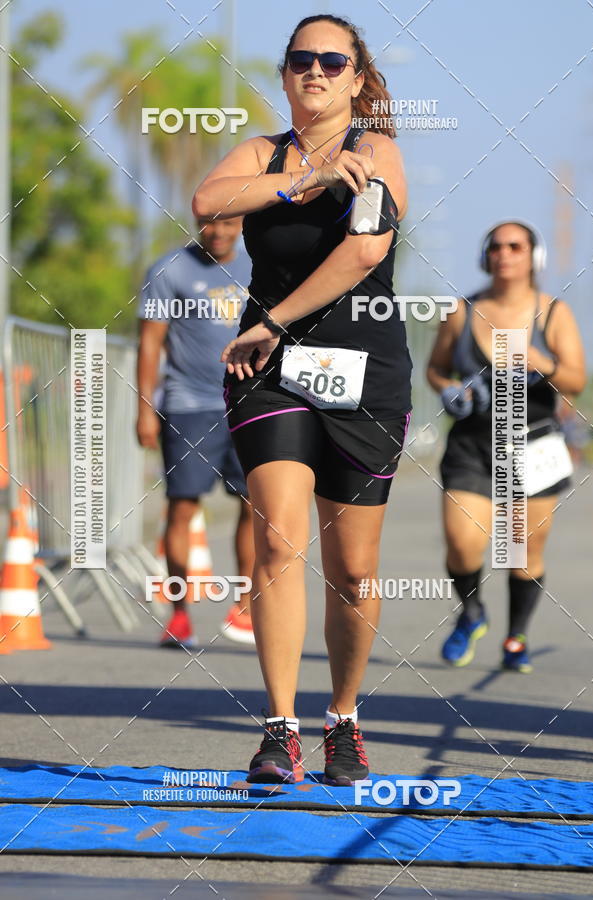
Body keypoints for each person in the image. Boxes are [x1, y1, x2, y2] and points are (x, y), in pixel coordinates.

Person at [192, 14, 412, 786]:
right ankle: (278, 727)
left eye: (330, 61)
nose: (313, 72)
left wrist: (273, 322)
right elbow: (208, 200)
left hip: (364, 375)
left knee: (352, 571)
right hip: (270, 375)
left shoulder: (377, 151)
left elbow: (364, 251)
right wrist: (304, 180)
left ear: (356, 77)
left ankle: (343, 719)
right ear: (285, 75)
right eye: (299, 61)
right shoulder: (265, 154)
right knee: (278, 541)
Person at [427, 221, 586, 673]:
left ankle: (516, 637)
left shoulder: (554, 313)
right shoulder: (461, 311)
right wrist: (447, 389)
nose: (504, 254)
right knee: (463, 544)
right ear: (485, 255)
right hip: (472, 444)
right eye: (495, 246)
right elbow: (436, 369)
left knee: (522, 549)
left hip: (531, 446)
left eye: (515, 246)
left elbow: (575, 378)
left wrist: (543, 361)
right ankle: (472, 612)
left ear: (533, 257)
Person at [136, 217, 256, 648]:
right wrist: (146, 409)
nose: (218, 231)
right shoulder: (169, 270)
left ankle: (245, 606)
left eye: (227, 222)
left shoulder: (257, 266)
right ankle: (179, 613)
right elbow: (150, 342)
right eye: (209, 223)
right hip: (189, 405)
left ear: (241, 223)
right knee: (182, 507)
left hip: (249, 404)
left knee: (255, 505)